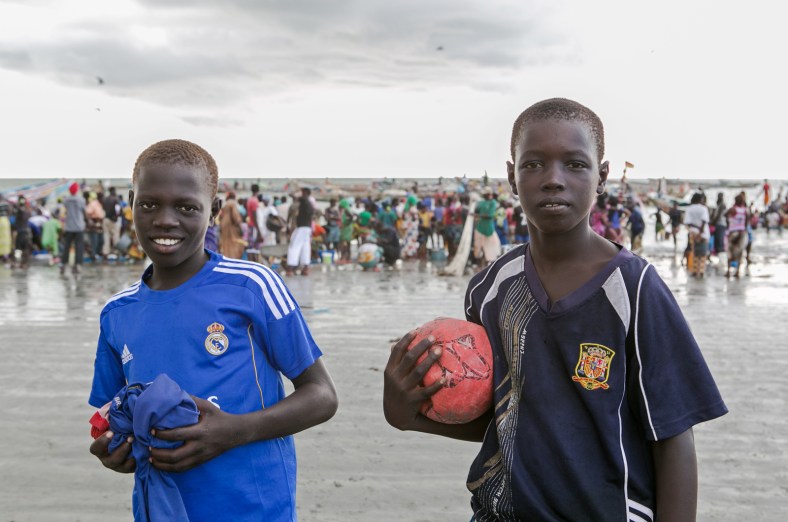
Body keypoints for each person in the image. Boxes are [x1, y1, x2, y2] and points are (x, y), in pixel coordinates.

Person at [383, 98, 727, 521]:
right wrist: (409, 416)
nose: (553, 180)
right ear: (511, 177)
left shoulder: (634, 290)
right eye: (533, 165)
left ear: (601, 176)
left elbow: (673, 439)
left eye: (575, 165)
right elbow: (504, 417)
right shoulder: (490, 289)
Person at [88, 139, 337, 522]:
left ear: (214, 211)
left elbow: (321, 395)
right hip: (161, 511)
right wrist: (112, 449)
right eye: (149, 204)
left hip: (255, 508)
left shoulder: (252, 285)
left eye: (186, 207)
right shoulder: (117, 312)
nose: (165, 220)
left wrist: (234, 431)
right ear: (131, 205)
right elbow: (111, 414)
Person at [285, 188, 315, 276]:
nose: (301, 194)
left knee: (294, 246)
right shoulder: (309, 203)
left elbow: (298, 198)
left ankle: (290, 269)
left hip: (302, 227)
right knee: (305, 247)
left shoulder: (306, 201)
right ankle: (305, 268)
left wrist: (293, 194)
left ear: (306, 193)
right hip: (307, 228)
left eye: (303, 192)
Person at [61, 182, 86, 275]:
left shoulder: (66, 200)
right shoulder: (81, 200)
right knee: (79, 246)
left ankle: (63, 264)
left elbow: (64, 208)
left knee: (66, 246)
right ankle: (77, 265)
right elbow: (84, 210)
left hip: (69, 226)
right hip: (79, 226)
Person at [472, 187, 500, 268]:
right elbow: (476, 210)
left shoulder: (493, 203)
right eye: (487, 194)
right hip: (480, 228)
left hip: (489, 229)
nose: (489, 196)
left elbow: (490, 215)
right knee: (478, 247)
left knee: (490, 248)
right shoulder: (481, 202)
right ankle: (480, 265)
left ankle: (489, 266)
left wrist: (478, 215)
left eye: (489, 194)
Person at [684, 193, 710, 277]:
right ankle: (701, 271)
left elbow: (687, 223)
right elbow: (704, 221)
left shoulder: (689, 209)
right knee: (703, 253)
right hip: (703, 233)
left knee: (694, 252)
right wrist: (700, 232)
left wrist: (695, 232)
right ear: (700, 199)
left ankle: (695, 271)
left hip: (692, 232)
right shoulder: (703, 208)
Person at [725, 193, 749, 278]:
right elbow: (746, 222)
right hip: (742, 232)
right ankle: (737, 271)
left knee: (729, 251)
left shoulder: (732, 209)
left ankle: (728, 271)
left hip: (732, 232)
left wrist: (730, 223)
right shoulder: (745, 210)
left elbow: (725, 215)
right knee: (740, 252)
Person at [218, 191, 245, 260]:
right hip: (232, 228)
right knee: (234, 245)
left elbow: (220, 217)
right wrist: (240, 228)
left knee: (226, 245)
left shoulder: (225, 204)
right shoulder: (233, 204)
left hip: (224, 227)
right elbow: (236, 217)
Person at [102, 186, 121, 258]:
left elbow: (103, 208)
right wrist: (116, 217)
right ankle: (116, 252)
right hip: (114, 220)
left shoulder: (106, 199)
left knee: (106, 236)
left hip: (106, 219)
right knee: (116, 236)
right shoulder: (116, 199)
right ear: (113, 191)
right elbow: (118, 209)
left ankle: (105, 252)